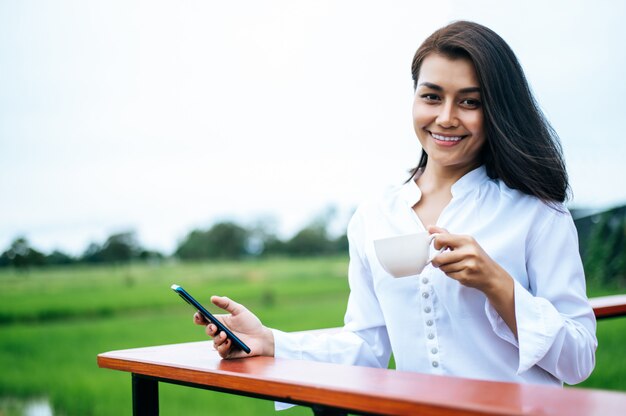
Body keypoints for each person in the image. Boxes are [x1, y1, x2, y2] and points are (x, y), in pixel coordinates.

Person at [194, 20, 597, 389]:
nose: (446, 117)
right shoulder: (375, 215)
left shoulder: (538, 214)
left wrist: (498, 284)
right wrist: (270, 342)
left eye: (470, 102)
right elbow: (366, 347)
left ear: (498, 110)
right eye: (431, 96)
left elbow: (579, 360)